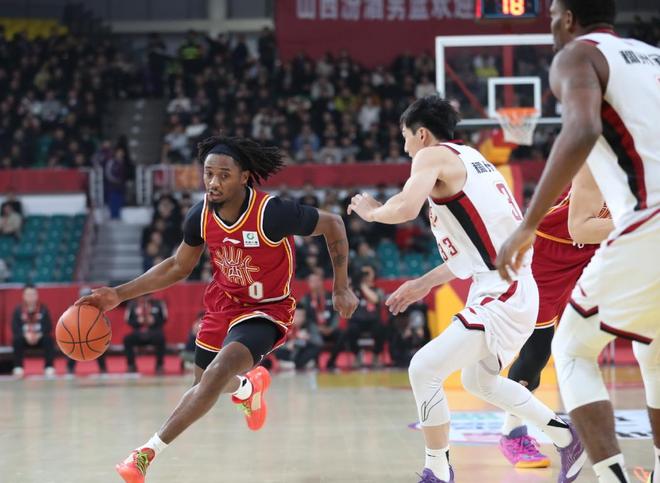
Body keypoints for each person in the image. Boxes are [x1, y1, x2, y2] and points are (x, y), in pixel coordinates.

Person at [77, 135, 358, 482]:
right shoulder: (200, 216)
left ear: (244, 177)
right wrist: (119, 295)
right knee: (205, 383)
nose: (213, 182)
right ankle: (247, 389)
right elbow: (177, 266)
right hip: (223, 305)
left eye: (224, 175)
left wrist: (340, 286)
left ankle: (145, 454)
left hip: (267, 309)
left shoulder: (271, 213)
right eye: (208, 173)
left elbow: (333, 224)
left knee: (215, 374)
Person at [348, 96, 584, 483]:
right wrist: (422, 283)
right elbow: (466, 256)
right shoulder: (473, 159)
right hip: (509, 285)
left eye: (406, 137)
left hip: (504, 290)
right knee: (479, 381)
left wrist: (371, 211)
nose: (405, 148)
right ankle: (566, 436)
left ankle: (438, 470)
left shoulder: (432, 156)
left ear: (421, 134)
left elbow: (405, 207)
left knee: (423, 368)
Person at [497, 1, 660, 482]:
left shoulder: (578, 55)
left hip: (637, 227)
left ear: (567, 18)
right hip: (568, 248)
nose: (550, 24)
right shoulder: (650, 58)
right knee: (649, 351)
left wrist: (526, 223)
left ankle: (610, 475)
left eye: (552, 14)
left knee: (570, 349)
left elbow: (583, 128)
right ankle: (514, 432)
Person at [500, 165, 613, 468]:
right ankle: (512, 431)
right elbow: (582, 227)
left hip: (593, 251)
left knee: (587, 345)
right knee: (537, 350)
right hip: (548, 250)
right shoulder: (595, 159)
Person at [299, 271, 343, 370]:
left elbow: (337, 315)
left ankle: (331, 362)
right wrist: (317, 328)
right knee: (314, 338)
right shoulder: (305, 299)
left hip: (329, 329)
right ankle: (315, 362)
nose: (314, 283)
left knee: (341, 334)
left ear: (321, 281)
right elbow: (305, 319)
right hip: (314, 330)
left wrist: (331, 328)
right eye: (311, 281)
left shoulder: (331, 297)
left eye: (316, 280)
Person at [11, 285, 55, 377]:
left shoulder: (43, 309)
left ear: (37, 295)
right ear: (23, 296)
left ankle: (49, 367)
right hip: (24, 338)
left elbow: (48, 326)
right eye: (28, 294)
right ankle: (18, 367)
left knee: (49, 340)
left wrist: (39, 334)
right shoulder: (18, 310)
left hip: (39, 338)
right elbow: (15, 327)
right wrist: (25, 335)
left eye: (33, 294)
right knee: (16, 340)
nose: (30, 297)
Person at [67, 287, 108, 376]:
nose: (85, 299)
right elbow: (68, 325)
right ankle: (70, 369)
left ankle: (103, 369)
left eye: (87, 296)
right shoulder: (73, 309)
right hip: (77, 335)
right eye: (83, 297)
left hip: (94, 335)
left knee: (100, 344)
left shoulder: (98, 309)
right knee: (72, 345)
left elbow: (104, 325)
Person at [123, 294, 168, 374]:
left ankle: (159, 365)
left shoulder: (158, 303)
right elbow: (128, 320)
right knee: (127, 339)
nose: (145, 298)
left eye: (147, 295)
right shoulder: (132, 304)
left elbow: (164, 319)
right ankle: (131, 364)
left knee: (161, 338)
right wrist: (137, 321)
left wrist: (154, 321)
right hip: (138, 332)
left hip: (154, 331)